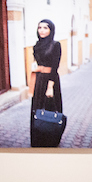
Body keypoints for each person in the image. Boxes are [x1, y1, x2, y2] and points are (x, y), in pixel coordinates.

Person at [28, 18, 64, 146]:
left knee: (50, 109)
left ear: (51, 30)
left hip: (50, 81)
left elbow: (54, 67)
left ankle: (51, 138)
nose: (42, 30)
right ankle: (38, 137)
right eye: (39, 27)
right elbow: (38, 62)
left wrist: (50, 87)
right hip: (39, 81)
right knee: (37, 109)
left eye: (45, 28)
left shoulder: (55, 45)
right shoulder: (36, 46)